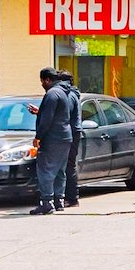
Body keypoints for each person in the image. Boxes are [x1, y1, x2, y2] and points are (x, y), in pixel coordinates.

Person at [31, 67, 74, 216]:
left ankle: (47, 202)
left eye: (42, 81)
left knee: (45, 170)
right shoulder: (64, 92)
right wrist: (40, 111)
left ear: (47, 80)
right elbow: (59, 114)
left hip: (52, 138)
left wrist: (38, 137)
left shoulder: (52, 94)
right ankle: (59, 200)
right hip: (65, 136)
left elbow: (47, 119)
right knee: (60, 170)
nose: (42, 84)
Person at [56, 68, 83, 208]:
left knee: (68, 165)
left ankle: (72, 198)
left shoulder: (69, 95)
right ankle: (70, 197)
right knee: (68, 165)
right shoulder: (73, 94)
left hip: (71, 131)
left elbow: (64, 114)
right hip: (74, 130)